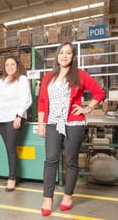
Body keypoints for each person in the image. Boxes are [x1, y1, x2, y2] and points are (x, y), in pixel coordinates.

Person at [37, 42, 105, 216]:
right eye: (61, 52)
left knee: (71, 160)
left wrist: (87, 108)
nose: (64, 56)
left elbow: (99, 92)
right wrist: (41, 123)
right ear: (57, 56)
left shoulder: (80, 75)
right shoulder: (48, 77)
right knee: (50, 160)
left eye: (68, 53)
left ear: (73, 57)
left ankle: (68, 196)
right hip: (52, 122)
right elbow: (43, 102)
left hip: (73, 123)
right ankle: (47, 199)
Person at [0, 56, 32, 192]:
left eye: (12, 64)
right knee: (9, 148)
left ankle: (12, 178)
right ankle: (14, 176)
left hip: (15, 118)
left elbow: (26, 99)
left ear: (17, 65)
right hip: (2, 118)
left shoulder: (22, 79)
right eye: (7, 65)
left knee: (10, 147)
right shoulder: (2, 81)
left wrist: (19, 116)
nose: (9, 67)